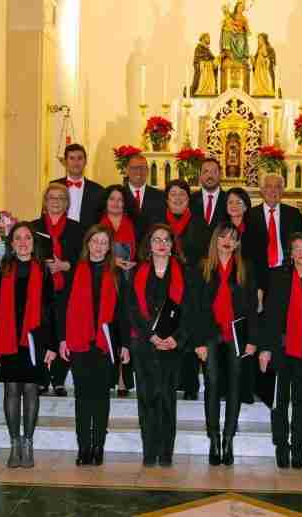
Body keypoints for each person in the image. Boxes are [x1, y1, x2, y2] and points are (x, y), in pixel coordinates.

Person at [58, 225, 131, 467]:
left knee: (101, 398)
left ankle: (98, 446)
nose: (99, 246)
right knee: (82, 397)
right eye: (95, 241)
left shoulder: (117, 274)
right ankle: (83, 447)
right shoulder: (74, 272)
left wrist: (125, 344)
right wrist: (62, 339)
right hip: (79, 342)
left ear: (109, 247)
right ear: (88, 243)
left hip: (106, 344)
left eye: (104, 242)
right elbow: (62, 308)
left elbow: (123, 312)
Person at [0, 222, 58, 468]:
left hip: (35, 339)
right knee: (11, 390)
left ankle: (28, 443)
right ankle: (14, 444)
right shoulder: (3, 270)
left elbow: (51, 309)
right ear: (11, 243)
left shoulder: (43, 270)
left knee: (30, 390)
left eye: (27, 237)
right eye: (18, 238)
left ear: (33, 242)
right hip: (8, 339)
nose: (23, 242)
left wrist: (51, 345)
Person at [127, 224, 193, 467]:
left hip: (172, 346)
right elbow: (132, 309)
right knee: (146, 399)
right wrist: (151, 336)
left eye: (166, 240)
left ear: (173, 244)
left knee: (166, 399)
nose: (162, 244)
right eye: (157, 239)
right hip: (145, 345)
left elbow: (190, 309)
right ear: (149, 244)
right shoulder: (137, 272)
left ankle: (166, 453)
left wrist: (177, 338)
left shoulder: (185, 273)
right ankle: (149, 451)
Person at [259, 233, 302, 469]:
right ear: (290, 253)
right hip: (280, 348)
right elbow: (269, 315)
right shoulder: (278, 277)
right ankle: (281, 446)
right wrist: (265, 349)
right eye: (297, 248)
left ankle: (298, 448)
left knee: (301, 401)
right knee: (279, 401)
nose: (301, 253)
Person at [194, 222, 258, 466]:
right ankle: (213, 438)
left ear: (238, 243)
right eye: (223, 236)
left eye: (232, 237)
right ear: (215, 240)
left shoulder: (245, 268)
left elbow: (252, 306)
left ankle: (228, 439)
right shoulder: (202, 267)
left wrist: (252, 339)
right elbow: (195, 307)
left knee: (234, 386)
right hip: (210, 333)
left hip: (237, 335)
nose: (227, 241)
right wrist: (198, 341)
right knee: (212, 383)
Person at [31, 183, 84, 397]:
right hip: (40, 288)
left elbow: (84, 259)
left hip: (67, 288)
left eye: (61, 198)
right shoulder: (33, 227)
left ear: (67, 203)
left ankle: (59, 379)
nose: (56, 201)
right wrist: (42, 266)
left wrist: (65, 266)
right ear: (45, 202)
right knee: (42, 330)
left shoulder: (77, 229)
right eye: (52, 197)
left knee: (64, 331)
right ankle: (42, 379)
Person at [163, 179, 212, 401]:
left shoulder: (200, 224)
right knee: (167, 329)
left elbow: (207, 255)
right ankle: (171, 382)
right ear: (167, 199)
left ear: (188, 199)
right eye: (173, 194)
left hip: (192, 286)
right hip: (165, 284)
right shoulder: (159, 223)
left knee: (189, 330)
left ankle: (190, 383)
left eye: (182, 195)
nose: (177, 198)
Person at [98, 185, 138, 397]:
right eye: (112, 199)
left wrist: (136, 263)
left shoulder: (134, 224)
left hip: (130, 283)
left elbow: (143, 251)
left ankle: (124, 379)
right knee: (109, 327)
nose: (116, 203)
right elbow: (91, 252)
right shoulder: (98, 225)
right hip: (105, 282)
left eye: (120, 200)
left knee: (126, 328)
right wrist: (112, 262)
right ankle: (107, 376)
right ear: (106, 202)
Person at [247, 172, 302, 297]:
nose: (273, 191)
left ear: (282, 191)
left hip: (286, 272)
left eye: (277, 187)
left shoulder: (293, 214)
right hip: (258, 273)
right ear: (262, 190)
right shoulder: (250, 215)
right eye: (269, 186)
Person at [53, 143, 104, 233]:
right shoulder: (54, 186)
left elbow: (100, 222)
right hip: (58, 237)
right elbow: (46, 215)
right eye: (72, 158)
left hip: (87, 238)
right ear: (65, 162)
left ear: (85, 161)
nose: (76, 162)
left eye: (80, 158)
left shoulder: (98, 190)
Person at [122, 153, 166, 229]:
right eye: (134, 168)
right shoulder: (120, 195)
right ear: (127, 171)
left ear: (148, 171)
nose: (139, 172)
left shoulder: (160, 196)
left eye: (143, 168)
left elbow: (161, 224)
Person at [190, 158, 227, 227]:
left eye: (214, 172)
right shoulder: (190, 200)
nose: (210, 176)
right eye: (205, 172)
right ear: (200, 176)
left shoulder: (228, 199)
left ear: (220, 175)